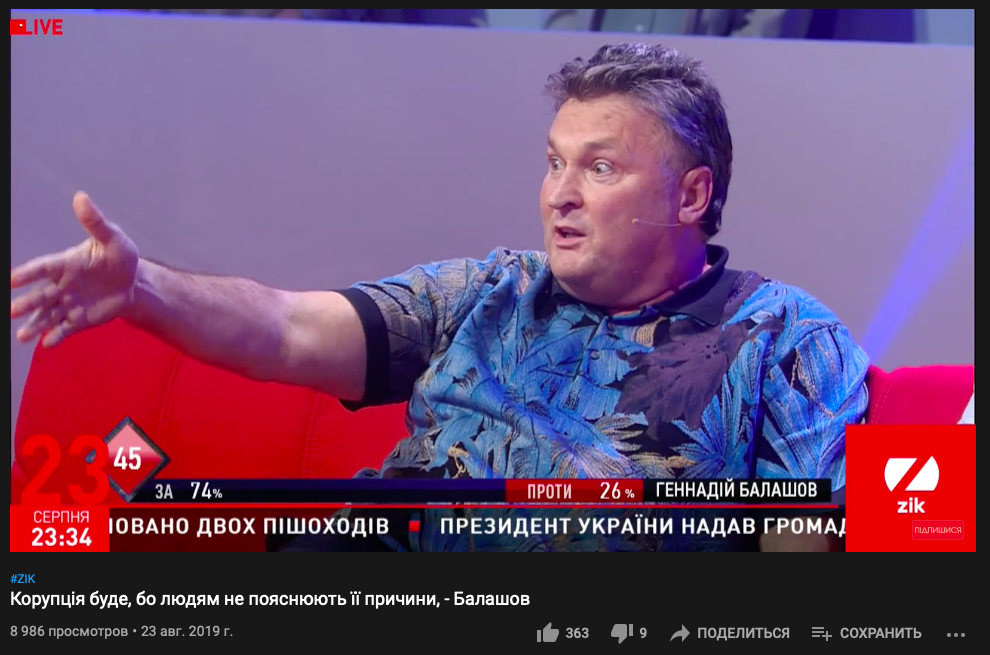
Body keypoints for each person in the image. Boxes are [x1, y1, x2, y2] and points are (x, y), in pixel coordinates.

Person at [10, 43, 868, 552]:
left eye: (600, 167)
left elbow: (806, 548)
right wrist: (141, 286)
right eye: (554, 161)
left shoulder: (786, 336)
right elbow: (286, 329)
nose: (559, 194)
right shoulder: (486, 289)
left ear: (691, 195)